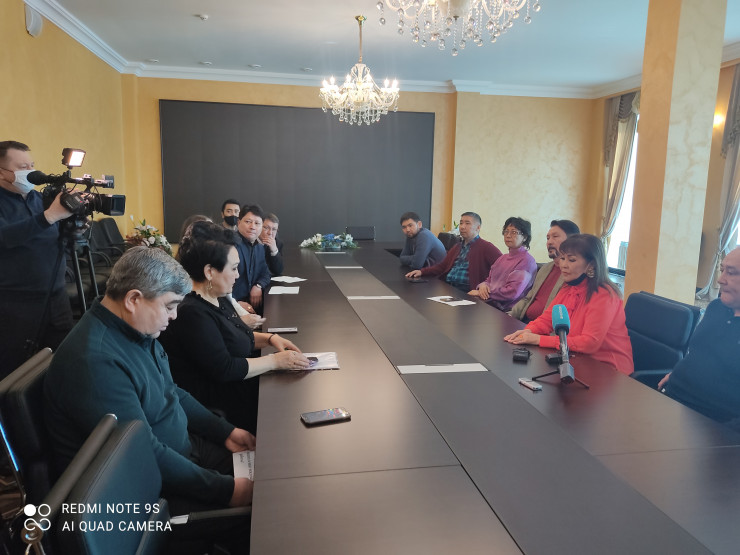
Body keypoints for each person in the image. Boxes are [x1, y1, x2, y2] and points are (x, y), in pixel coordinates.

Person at [43, 247, 254, 550]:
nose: (174, 316)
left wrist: (226, 432)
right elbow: (143, 455)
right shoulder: (95, 361)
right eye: (169, 306)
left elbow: (172, 393)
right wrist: (226, 490)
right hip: (151, 494)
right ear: (133, 299)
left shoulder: (136, 330)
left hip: (182, 453)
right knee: (265, 514)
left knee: (269, 470)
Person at [160, 221, 309, 433]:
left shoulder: (217, 296)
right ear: (209, 272)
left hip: (240, 386)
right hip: (223, 405)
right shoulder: (192, 313)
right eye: (233, 268)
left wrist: (270, 338)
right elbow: (225, 368)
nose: (238, 275)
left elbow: (233, 335)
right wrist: (275, 361)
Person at [504, 234, 633, 375]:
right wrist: (528, 331)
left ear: (591, 264)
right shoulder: (570, 286)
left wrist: (538, 339)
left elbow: (589, 343)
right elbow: (547, 319)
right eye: (562, 258)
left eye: (571, 260)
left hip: (608, 370)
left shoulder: (605, 295)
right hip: (575, 358)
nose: (563, 265)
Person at [0, 140, 75, 379]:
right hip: (17, 304)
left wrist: (73, 227)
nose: (31, 172)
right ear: (2, 172)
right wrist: (49, 216)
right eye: (23, 167)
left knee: (62, 362)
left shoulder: (39, 199)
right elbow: (5, 237)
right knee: (17, 371)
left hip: (56, 297)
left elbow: (54, 238)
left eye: (32, 165)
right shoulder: (46, 209)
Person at [659, 247, 740, 430]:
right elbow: (700, 352)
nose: (720, 279)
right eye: (722, 270)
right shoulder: (716, 308)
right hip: (673, 399)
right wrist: (676, 374)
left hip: (715, 424)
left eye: (731, 272)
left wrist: (725, 436)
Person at [405, 212, 502, 292]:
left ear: (478, 227)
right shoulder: (457, 247)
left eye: (467, 223)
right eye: (461, 223)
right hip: (449, 287)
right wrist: (422, 272)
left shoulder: (486, 247)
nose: (462, 227)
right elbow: (442, 266)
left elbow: (503, 269)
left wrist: (486, 284)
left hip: (467, 291)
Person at [510, 219, 581, 322]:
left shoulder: (573, 274)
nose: (549, 242)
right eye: (548, 238)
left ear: (571, 241)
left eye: (555, 236)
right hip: (524, 321)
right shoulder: (545, 268)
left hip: (545, 328)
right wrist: (510, 316)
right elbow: (528, 298)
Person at [469, 217, 537, 311]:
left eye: (514, 232)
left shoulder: (526, 261)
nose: (508, 235)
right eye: (506, 231)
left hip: (506, 310)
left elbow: (512, 293)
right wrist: (483, 285)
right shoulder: (502, 258)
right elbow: (489, 280)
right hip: (489, 303)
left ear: (525, 237)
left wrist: (483, 293)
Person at [232, 205, 272, 311]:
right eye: (248, 222)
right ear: (238, 222)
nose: (252, 227)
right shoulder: (230, 246)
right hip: (232, 306)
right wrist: (235, 304)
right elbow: (218, 283)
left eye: (257, 223)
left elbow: (266, 274)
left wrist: (258, 285)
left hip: (253, 306)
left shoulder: (259, 247)